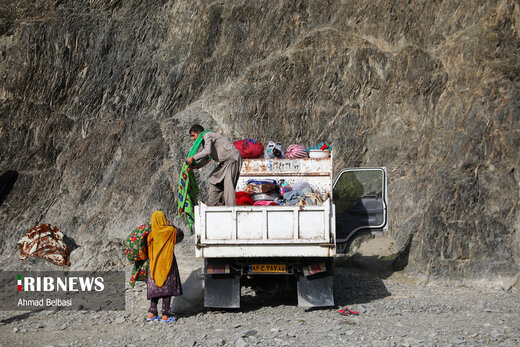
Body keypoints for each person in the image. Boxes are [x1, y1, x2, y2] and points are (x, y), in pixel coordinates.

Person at [186, 124, 242, 206]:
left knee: (228, 184)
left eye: (193, 135)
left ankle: (231, 209)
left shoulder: (207, 135)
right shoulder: (205, 141)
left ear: (198, 133)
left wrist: (193, 157)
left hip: (232, 158)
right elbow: (207, 158)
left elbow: (207, 151)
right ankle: (212, 203)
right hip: (225, 162)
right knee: (214, 179)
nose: (193, 139)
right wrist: (196, 166)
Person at [145, 211, 184, 322]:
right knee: (167, 288)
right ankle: (165, 315)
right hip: (167, 263)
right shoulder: (170, 231)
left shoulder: (151, 234)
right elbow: (180, 235)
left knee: (156, 288)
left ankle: (152, 313)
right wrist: (171, 225)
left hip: (154, 266)